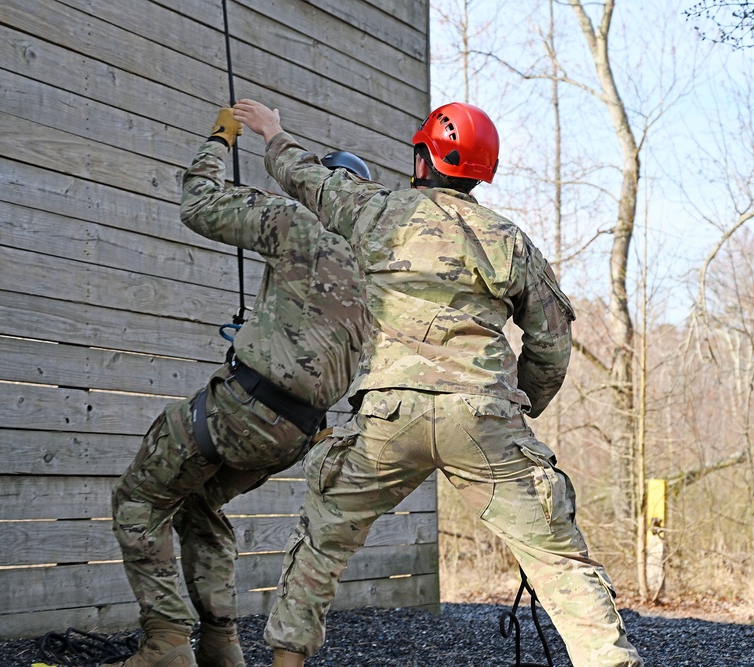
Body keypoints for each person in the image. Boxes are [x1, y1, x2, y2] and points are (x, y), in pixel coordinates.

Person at [232, 98, 644, 667]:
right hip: (482, 417)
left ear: (424, 157)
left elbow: (309, 180)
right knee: (557, 560)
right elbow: (550, 343)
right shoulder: (510, 240)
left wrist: (273, 134)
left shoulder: (378, 212)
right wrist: (521, 409)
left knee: (323, 543)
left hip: (387, 419)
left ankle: (286, 662)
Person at [107, 108, 371, 667]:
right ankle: (221, 645)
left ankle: (166, 643)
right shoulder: (377, 262)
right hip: (296, 435)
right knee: (197, 500)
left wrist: (221, 137)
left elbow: (199, 202)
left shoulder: (297, 222)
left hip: (241, 412)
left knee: (139, 497)